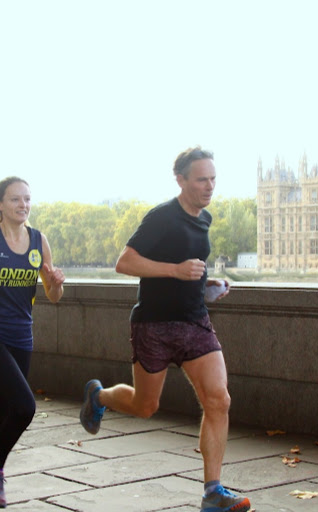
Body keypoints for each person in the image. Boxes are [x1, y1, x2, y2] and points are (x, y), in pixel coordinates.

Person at [79, 147, 251, 512]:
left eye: (213, 179)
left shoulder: (204, 219)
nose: (209, 186)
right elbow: (124, 263)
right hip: (153, 326)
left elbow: (190, 267)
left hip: (194, 322)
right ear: (181, 180)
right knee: (145, 406)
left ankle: (213, 492)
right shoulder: (161, 217)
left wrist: (207, 283)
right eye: (202, 179)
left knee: (219, 399)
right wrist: (175, 270)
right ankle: (100, 397)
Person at [0, 177, 65, 509]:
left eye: (27, 199)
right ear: (0, 204)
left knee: (6, 410)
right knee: (25, 407)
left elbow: (53, 296)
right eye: (15, 199)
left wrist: (55, 283)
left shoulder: (39, 240)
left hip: (22, 336)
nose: (23, 205)